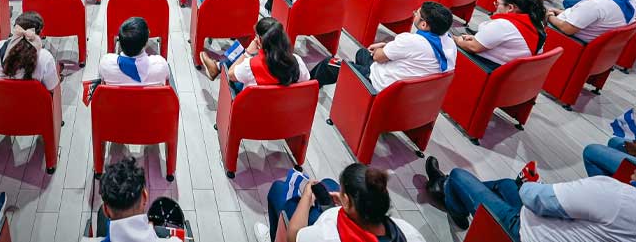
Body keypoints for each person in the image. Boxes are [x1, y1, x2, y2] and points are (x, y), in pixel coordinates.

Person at [423, 155, 636, 235]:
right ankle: (448, 190)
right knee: (506, 185)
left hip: (526, 231)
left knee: (459, 175)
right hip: (555, 226)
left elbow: (535, 199)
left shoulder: (615, 194)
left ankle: (450, 195)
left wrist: (529, 183)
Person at [262, 162, 426, 242]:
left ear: (346, 201)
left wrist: (306, 196)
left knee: (278, 190)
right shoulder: (409, 233)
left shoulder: (326, 235)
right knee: (328, 183)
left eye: (343, 191)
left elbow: (294, 236)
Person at [310, 1, 456, 89]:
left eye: (417, 13)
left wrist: (382, 49)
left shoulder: (410, 41)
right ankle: (351, 83)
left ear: (424, 24)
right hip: (410, 92)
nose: (414, 14)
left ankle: (308, 86)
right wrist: (387, 45)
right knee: (362, 53)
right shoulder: (449, 44)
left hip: (379, 84)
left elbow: (379, 57)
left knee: (328, 63)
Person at [199, 16, 309, 89]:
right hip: (282, 109)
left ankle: (218, 67)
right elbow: (304, 82)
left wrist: (247, 53)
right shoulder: (297, 61)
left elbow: (230, 75)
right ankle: (217, 66)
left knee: (241, 57)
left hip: (253, 106)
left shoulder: (251, 65)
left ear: (260, 40)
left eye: (256, 36)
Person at [454, 0, 546, 68]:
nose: (495, 6)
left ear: (510, 7)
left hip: (485, 67)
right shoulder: (536, 22)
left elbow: (473, 47)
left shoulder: (504, 25)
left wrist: (456, 39)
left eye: (497, 4)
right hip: (511, 71)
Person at [0, 10, 59, 91]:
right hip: (30, 101)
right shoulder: (45, 57)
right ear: (40, 33)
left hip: (1, 98)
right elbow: (51, 87)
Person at [99, 17, 169, 85]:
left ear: (120, 41)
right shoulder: (161, 65)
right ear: (146, 42)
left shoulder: (105, 63)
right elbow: (167, 79)